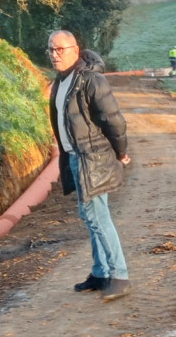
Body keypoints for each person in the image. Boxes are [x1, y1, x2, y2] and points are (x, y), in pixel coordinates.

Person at [47, 29, 132, 302]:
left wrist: (121, 152)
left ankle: (119, 275)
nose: (54, 54)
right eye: (51, 50)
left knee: (98, 218)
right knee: (90, 218)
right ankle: (100, 273)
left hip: (93, 159)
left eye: (60, 49)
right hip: (75, 158)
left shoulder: (91, 81)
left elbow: (113, 119)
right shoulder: (61, 82)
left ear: (75, 49)